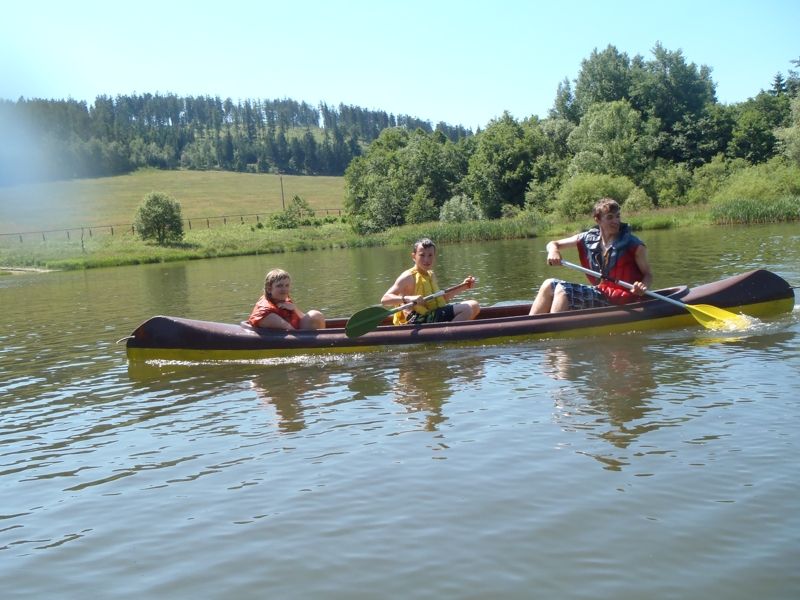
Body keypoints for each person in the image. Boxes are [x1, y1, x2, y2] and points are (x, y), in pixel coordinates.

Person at [529, 197, 653, 314]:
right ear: (597, 220)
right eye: (610, 217)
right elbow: (553, 243)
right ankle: (530, 326)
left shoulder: (634, 245)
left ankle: (552, 332)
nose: (616, 221)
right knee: (549, 284)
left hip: (623, 301)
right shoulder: (587, 238)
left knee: (563, 290)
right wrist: (553, 250)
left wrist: (643, 286)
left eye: (617, 216)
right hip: (600, 293)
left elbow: (648, 275)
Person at [381, 238, 480, 324]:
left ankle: (451, 331)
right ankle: (446, 337)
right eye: (422, 255)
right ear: (414, 256)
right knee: (466, 309)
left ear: (435, 256)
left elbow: (442, 298)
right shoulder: (408, 276)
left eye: (430, 255)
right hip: (418, 319)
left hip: (434, 314)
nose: (426, 259)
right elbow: (384, 300)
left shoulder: (431, 274)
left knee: (474, 305)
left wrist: (464, 286)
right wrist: (409, 298)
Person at [249, 268, 326, 330]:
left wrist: (294, 308)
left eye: (287, 285)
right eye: (279, 286)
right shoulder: (265, 312)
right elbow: (292, 332)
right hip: (286, 341)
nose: (284, 289)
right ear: (269, 289)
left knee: (315, 316)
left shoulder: (283, 301)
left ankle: (323, 344)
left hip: (293, 336)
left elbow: (305, 320)